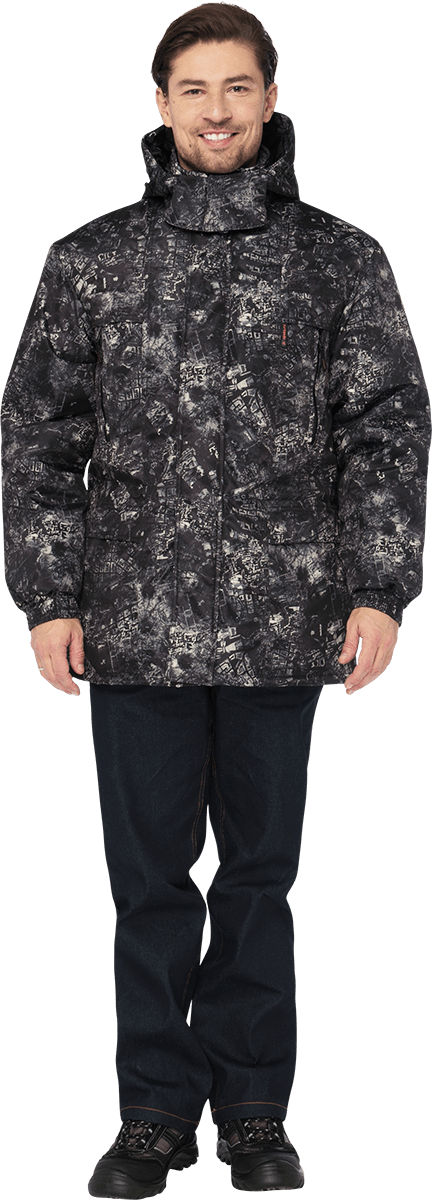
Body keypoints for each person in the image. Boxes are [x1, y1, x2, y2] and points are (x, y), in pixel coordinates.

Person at [1, 3, 431, 1195]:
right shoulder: (90, 260)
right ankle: (152, 1113)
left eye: (238, 86)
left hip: (283, 623)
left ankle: (252, 1112)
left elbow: (387, 428)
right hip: (130, 619)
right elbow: (39, 432)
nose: (217, 110)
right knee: (148, 887)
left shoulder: (339, 257)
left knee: (257, 881)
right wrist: (48, 595)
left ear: (271, 96)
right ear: (160, 102)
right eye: (193, 88)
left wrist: (380, 586)